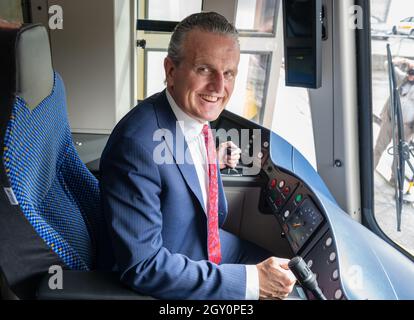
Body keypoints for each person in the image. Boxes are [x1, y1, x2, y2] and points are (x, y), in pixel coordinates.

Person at [100, 12, 296, 300]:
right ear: (170, 71)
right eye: (204, 70)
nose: (219, 87)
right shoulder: (136, 145)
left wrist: (211, 159)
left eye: (228, 73)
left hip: (208, 244)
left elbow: (176, 171)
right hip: (172, 272)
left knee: (292, 277)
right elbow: (142, 266)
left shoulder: (191, 120)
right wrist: (251, 283)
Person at [374, 57, 414, 185]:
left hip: (406, 127)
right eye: (410, 73)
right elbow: (388, 64)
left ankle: (395, 180)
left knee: (399, 154)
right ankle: (369, 171)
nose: (410, 76)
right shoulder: (402, 79)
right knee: (378, 148)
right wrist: (404, 62)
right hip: (390, 121)